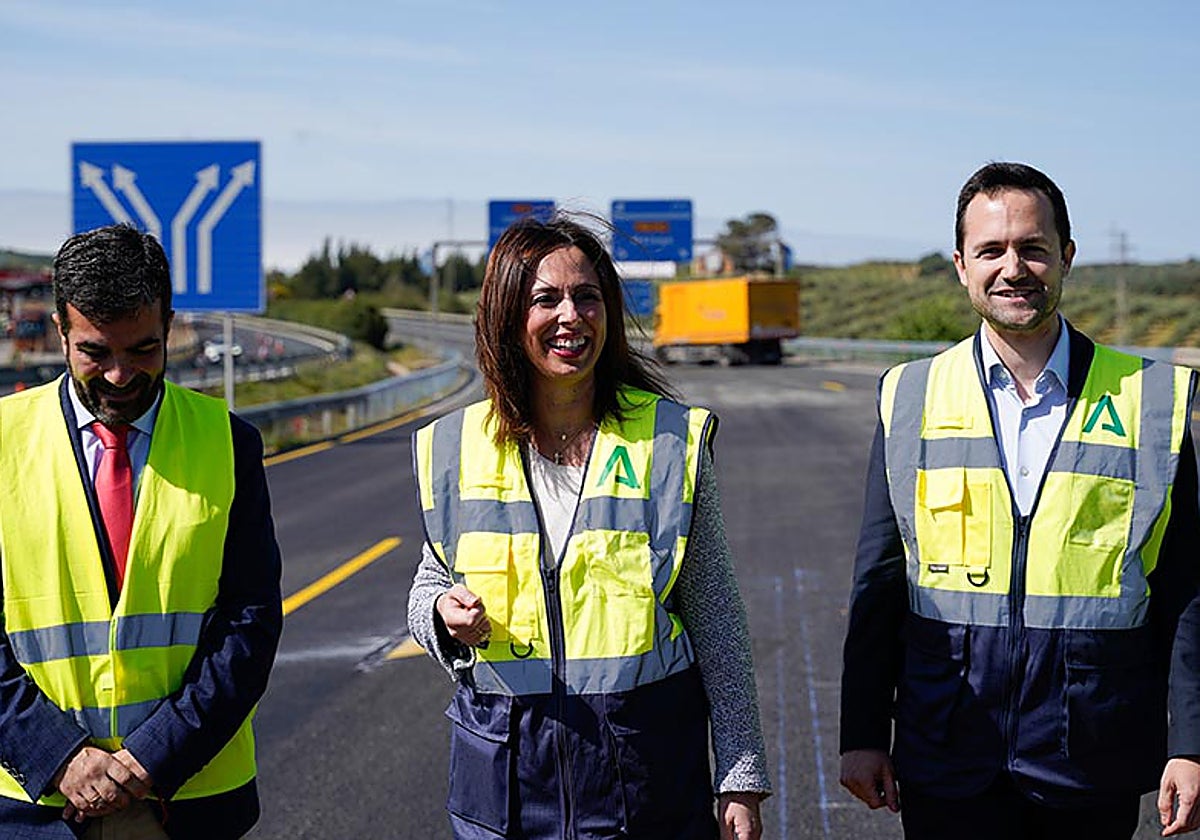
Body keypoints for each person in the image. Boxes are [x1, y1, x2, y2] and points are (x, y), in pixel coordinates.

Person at [838, 161, 1200, 838]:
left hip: (1089, 756)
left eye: (1033, 248)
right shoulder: (910, 395)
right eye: (991, 251)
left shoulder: (1152, 401)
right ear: (960, 265)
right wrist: (861, 734)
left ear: (1066, 256)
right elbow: (878, 582)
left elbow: (1186, 588)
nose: (1013, 268)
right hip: (947, 751)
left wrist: (1192, 743)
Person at [406, 213, 771, 839]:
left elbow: (716, 619)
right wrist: (440, 613)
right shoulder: (457, 447)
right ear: (506, 317)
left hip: (644, 787)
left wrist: (739, 774)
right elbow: (430, 582)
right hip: (504, 792)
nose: (570, 316)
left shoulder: (668, 441)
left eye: (587, 297)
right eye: (545, 299)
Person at [0, 224, 283, 839]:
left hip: (191, 800)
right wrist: (60, 758)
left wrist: (152, 757)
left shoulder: (229, 443)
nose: (120, 375)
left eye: (144, 350)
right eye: (96, 353)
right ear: (60, 330)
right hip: (34, 808)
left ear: (170, 325)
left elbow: (250, 621)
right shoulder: (2, 442)